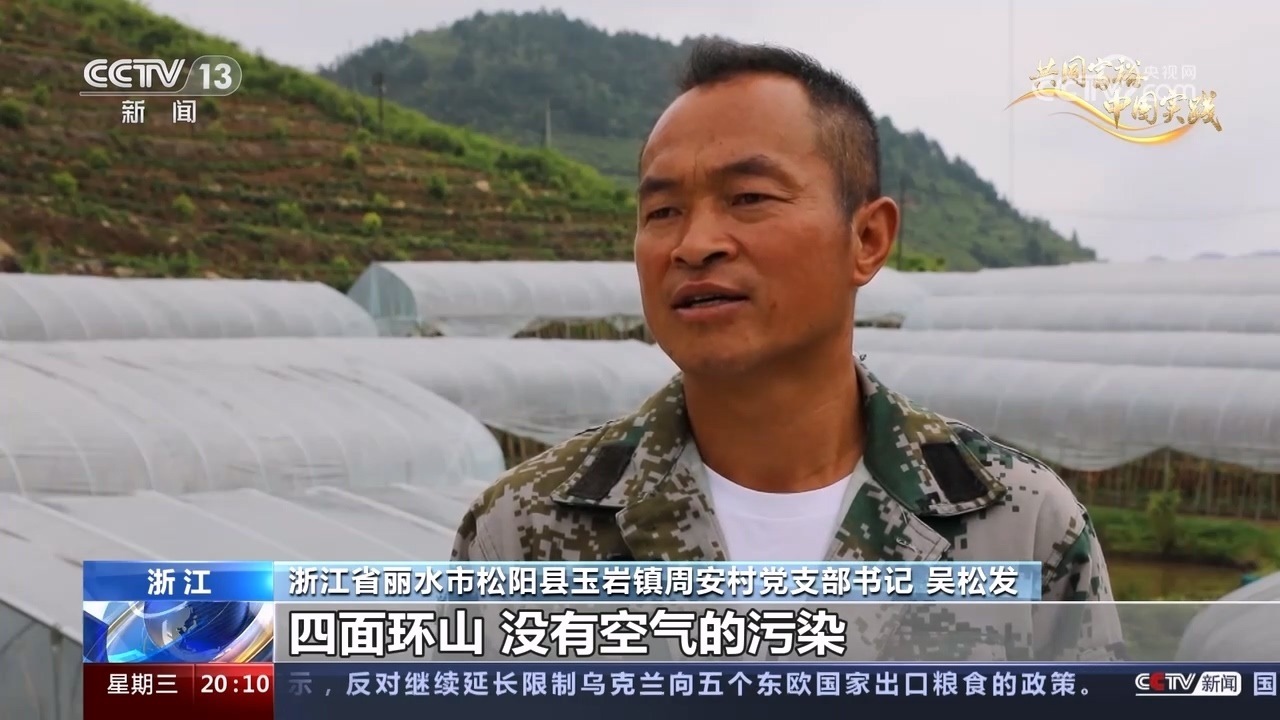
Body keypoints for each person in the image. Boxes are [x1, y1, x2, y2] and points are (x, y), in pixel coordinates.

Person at [452, 38, 1125, 661]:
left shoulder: (1019, 524)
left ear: (867, 240)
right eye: (662, 211)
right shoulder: (522, 532)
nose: (694, 244)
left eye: (748, 197)